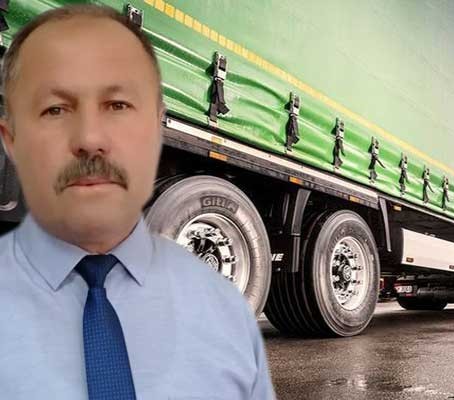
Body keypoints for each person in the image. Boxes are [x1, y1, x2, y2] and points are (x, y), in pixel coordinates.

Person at [0, 4, 276, 399]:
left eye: (117, 106)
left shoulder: (227, 317)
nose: (90, 138)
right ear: (11, 139)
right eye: (56, 109)